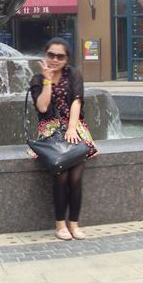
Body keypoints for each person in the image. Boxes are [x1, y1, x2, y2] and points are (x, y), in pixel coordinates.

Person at [29, 37, 98, 241]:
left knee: (75, 178)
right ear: (46, 55)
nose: (55, 59)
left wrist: (72, 128)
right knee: (61, 176)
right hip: (50, 132)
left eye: (60, 56)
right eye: (51, 55)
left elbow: (77, 101)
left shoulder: (74, 74)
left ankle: (74, 224)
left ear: (66, 59)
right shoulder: (37, 79)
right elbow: (42, 107)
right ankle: (60, 225)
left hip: (75, 128)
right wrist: (47, 80)